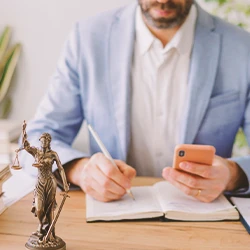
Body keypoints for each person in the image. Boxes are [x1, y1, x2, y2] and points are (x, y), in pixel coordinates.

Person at [20, 0, 250, 204]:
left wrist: (234, 174)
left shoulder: (241, 48)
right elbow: (39, 134)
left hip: (207, 218)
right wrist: (78, 169)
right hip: (113, 214)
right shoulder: (88, 38)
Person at [22, 122, 69, 242]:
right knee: (39, 208)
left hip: (50, 181)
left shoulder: (53, 154)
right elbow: (26, 146)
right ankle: (42, 226)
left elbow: (61, 168)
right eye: (42, 141)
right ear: (40, 141)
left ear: (49, 142)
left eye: (46, 141)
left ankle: (50, 232)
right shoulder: (36, 152)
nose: (44, 143)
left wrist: (65, 184)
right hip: (39, 182)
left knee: (49, 208)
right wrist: (23, 132)